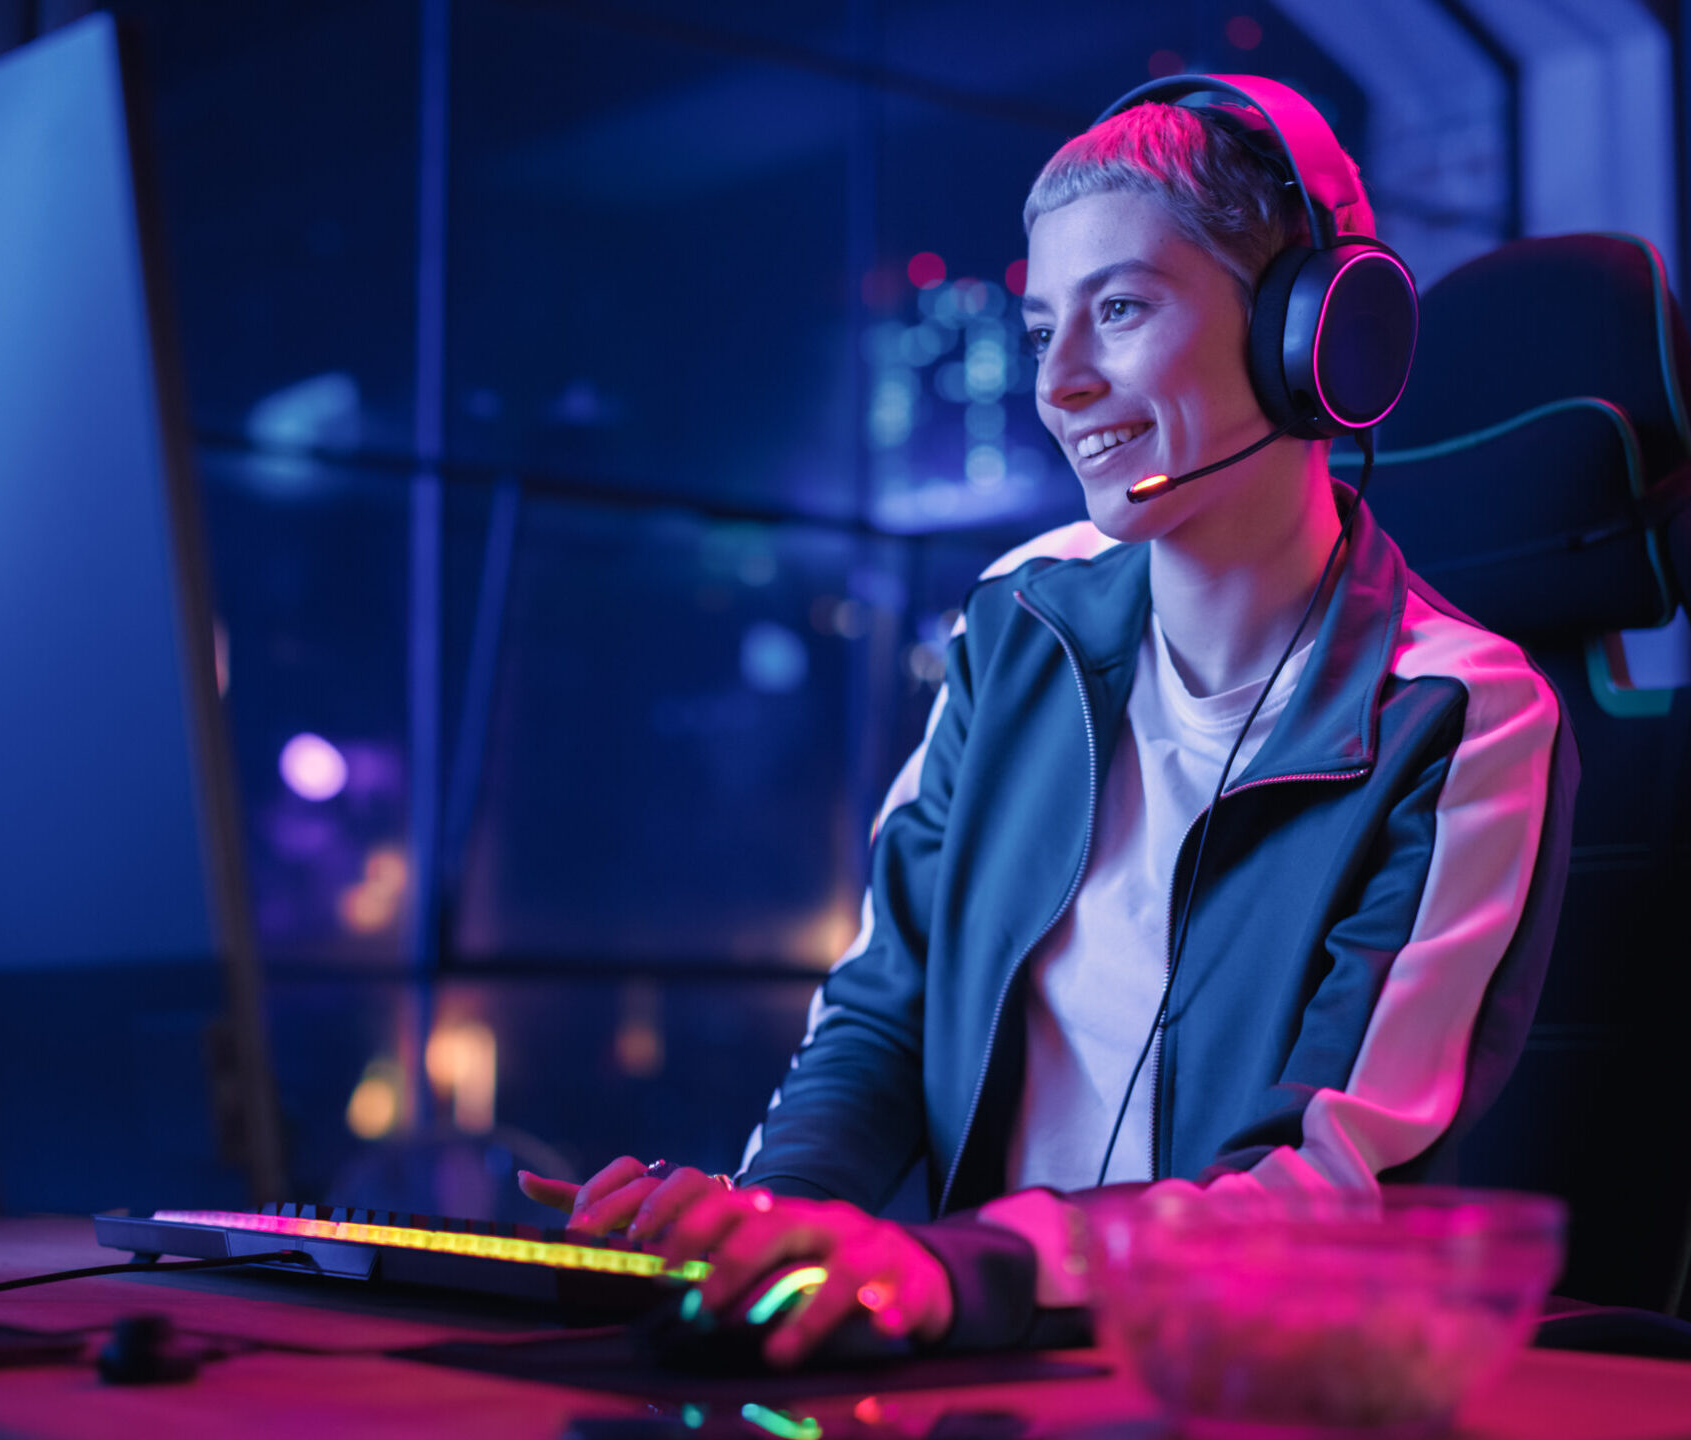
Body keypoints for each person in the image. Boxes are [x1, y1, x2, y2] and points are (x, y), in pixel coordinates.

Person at [520, 85, 1577, 1366]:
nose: (1061, 384)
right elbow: (881, 1016)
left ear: (1310, 336)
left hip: (1227, 1382)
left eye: (1119, 310)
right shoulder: (1015, 626)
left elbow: (1319, 1187)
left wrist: (966, 1267)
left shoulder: (1456, 718)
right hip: (987, 1351)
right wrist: (765, 1227)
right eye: (1038, 329)